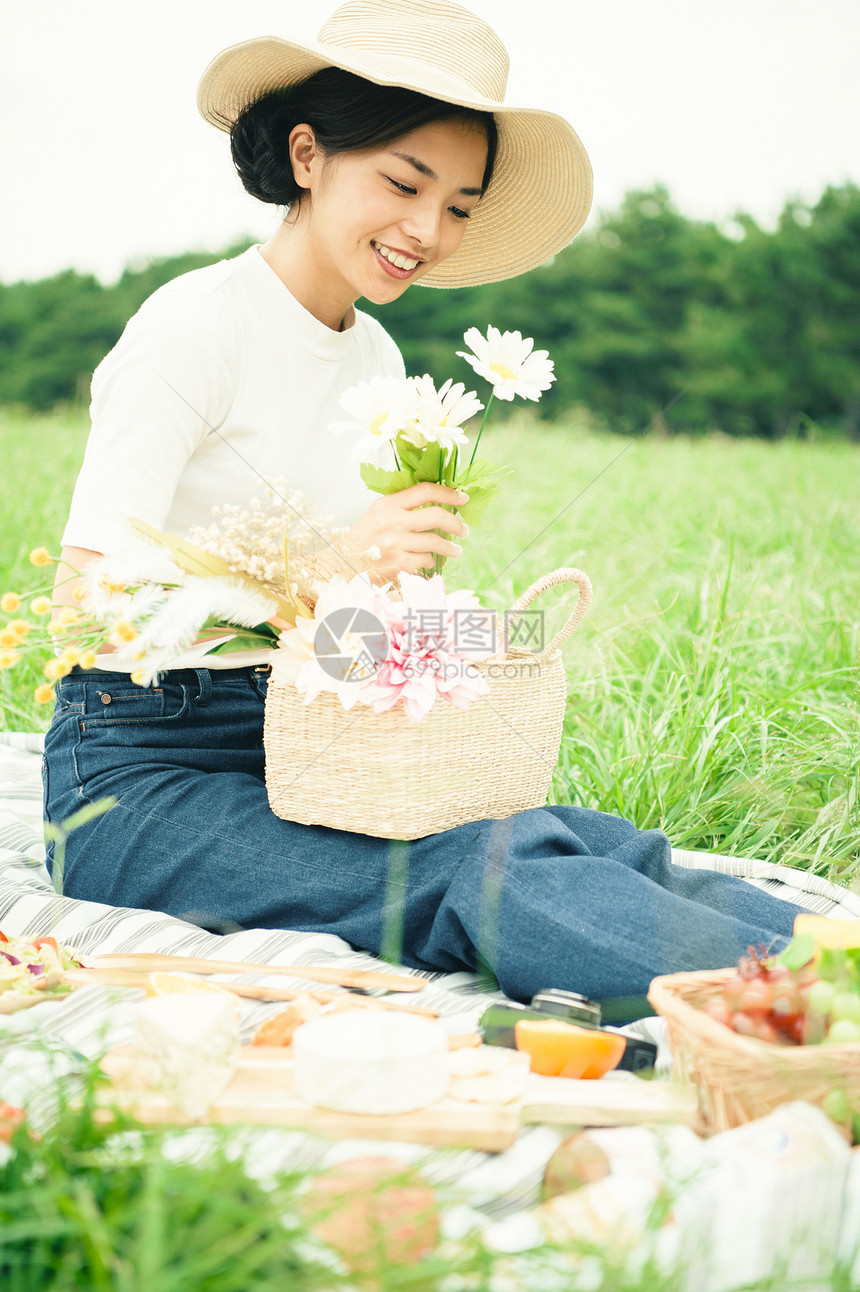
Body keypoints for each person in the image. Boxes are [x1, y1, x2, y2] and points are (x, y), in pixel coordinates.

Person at [44, 0, 805, 1004]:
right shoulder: (193, 328)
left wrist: (420, 630)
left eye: (457, 205)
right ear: (308, 155)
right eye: (403, 183)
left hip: (315, 748)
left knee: (566, 837)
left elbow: (338, 614)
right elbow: (78, 610)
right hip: (142, 780)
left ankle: (826, 957)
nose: (427, 230)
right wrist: (332, 569)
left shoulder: (375, 353)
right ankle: (795, 1012)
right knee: (472, 874)